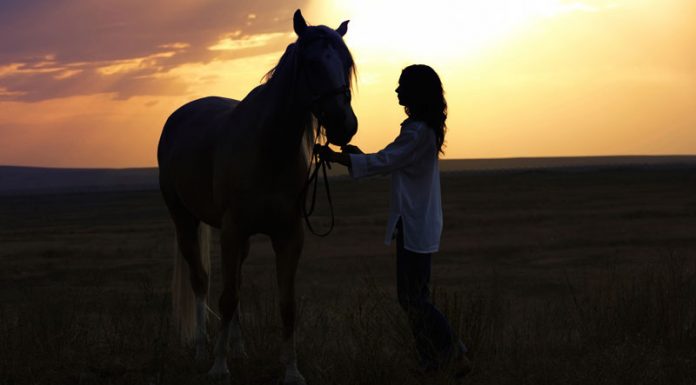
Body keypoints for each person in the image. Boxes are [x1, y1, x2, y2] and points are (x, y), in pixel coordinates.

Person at [319, 64, 471, 379]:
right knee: (412, 297)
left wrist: (338, 158)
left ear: (415, 92)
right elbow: (389, 159)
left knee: (413, 298)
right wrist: (358, 156)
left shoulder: (417, 132)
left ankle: (452, 350)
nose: (397, 91)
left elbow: (385, 161)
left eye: (402, 86)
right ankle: (432, 360)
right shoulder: (419, 130)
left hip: (415, 223)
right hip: (415, 222)